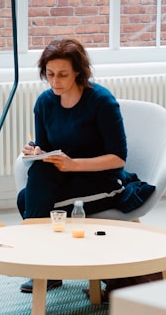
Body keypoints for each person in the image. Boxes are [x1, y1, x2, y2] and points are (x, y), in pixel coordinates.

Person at [17, 38, 129, 296]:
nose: (55, 81)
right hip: (65, 178)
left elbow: (118, 157)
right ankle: (47, 266)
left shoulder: (101, 101)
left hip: (103, 181)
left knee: (30, 201)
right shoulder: (45, 102)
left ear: (79, 71)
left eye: (63, 74)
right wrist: (35, 151)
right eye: (50, 74)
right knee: (28, 194)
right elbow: (45, 149)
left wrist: (72, 164)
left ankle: (42, 266)